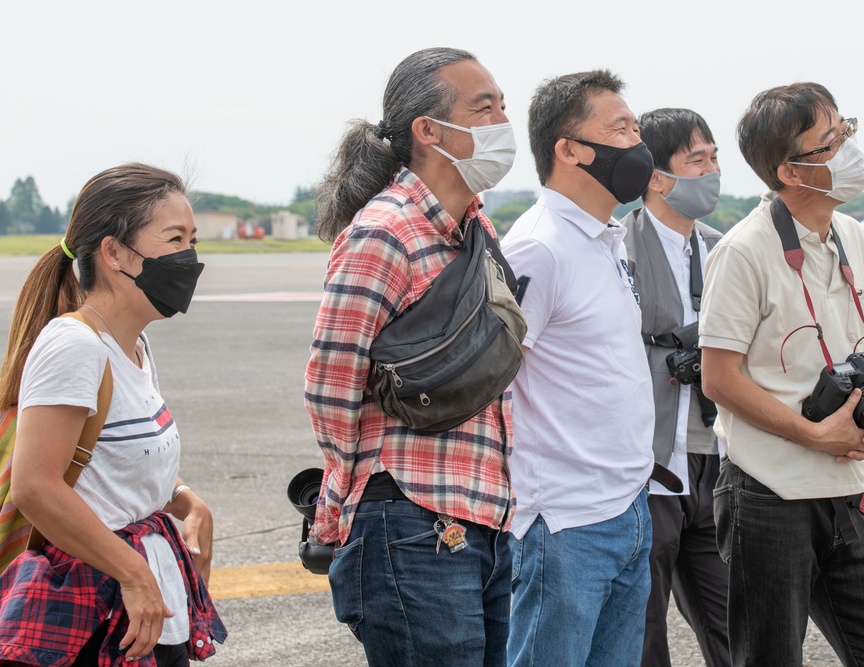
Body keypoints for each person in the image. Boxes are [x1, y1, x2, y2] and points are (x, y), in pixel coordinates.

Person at [304, 47, 517, 667]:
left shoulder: (479, 231)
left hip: (487, 513)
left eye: (504, 104)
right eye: (485, 107)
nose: (503, 121)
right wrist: (338, 500)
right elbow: (330, 380)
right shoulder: (384, 233)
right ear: (429, 130)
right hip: (409, 516)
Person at [698, 83, 864, 666]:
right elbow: (717, 379)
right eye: (831, 142)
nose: (850, 149)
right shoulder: (744, 251)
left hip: (843, 489)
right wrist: (816, 434)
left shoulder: (852, 237)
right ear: (790, 171)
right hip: (768, 491)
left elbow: (859, 349)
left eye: (846, 130)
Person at [0, 164, 226, 666]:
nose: (190, 258)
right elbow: (35, 485)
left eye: (192, 240)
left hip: (142, 599)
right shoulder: (74, 345)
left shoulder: (135, 346)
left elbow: (115, 463)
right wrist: (132, 571)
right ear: (114, 253)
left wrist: (187, 502)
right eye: (174, 239)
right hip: (93, 605)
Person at [501, 70, 656, 667]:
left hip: (626, 506)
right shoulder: (539, 248)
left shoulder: (604, 240)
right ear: (569, 150)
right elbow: (497, 379)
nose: (637, 143)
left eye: (636, 128)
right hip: (564, 524)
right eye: (620, 129)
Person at [620, 108, 730, 667]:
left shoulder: (724, 248)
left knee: (736, 626)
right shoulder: (619, 250)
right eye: (697, 160)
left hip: (717, 461)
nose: (712, 171)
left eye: (714, 157)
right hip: (650, 466)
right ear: (658, 177)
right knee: (642, 632)